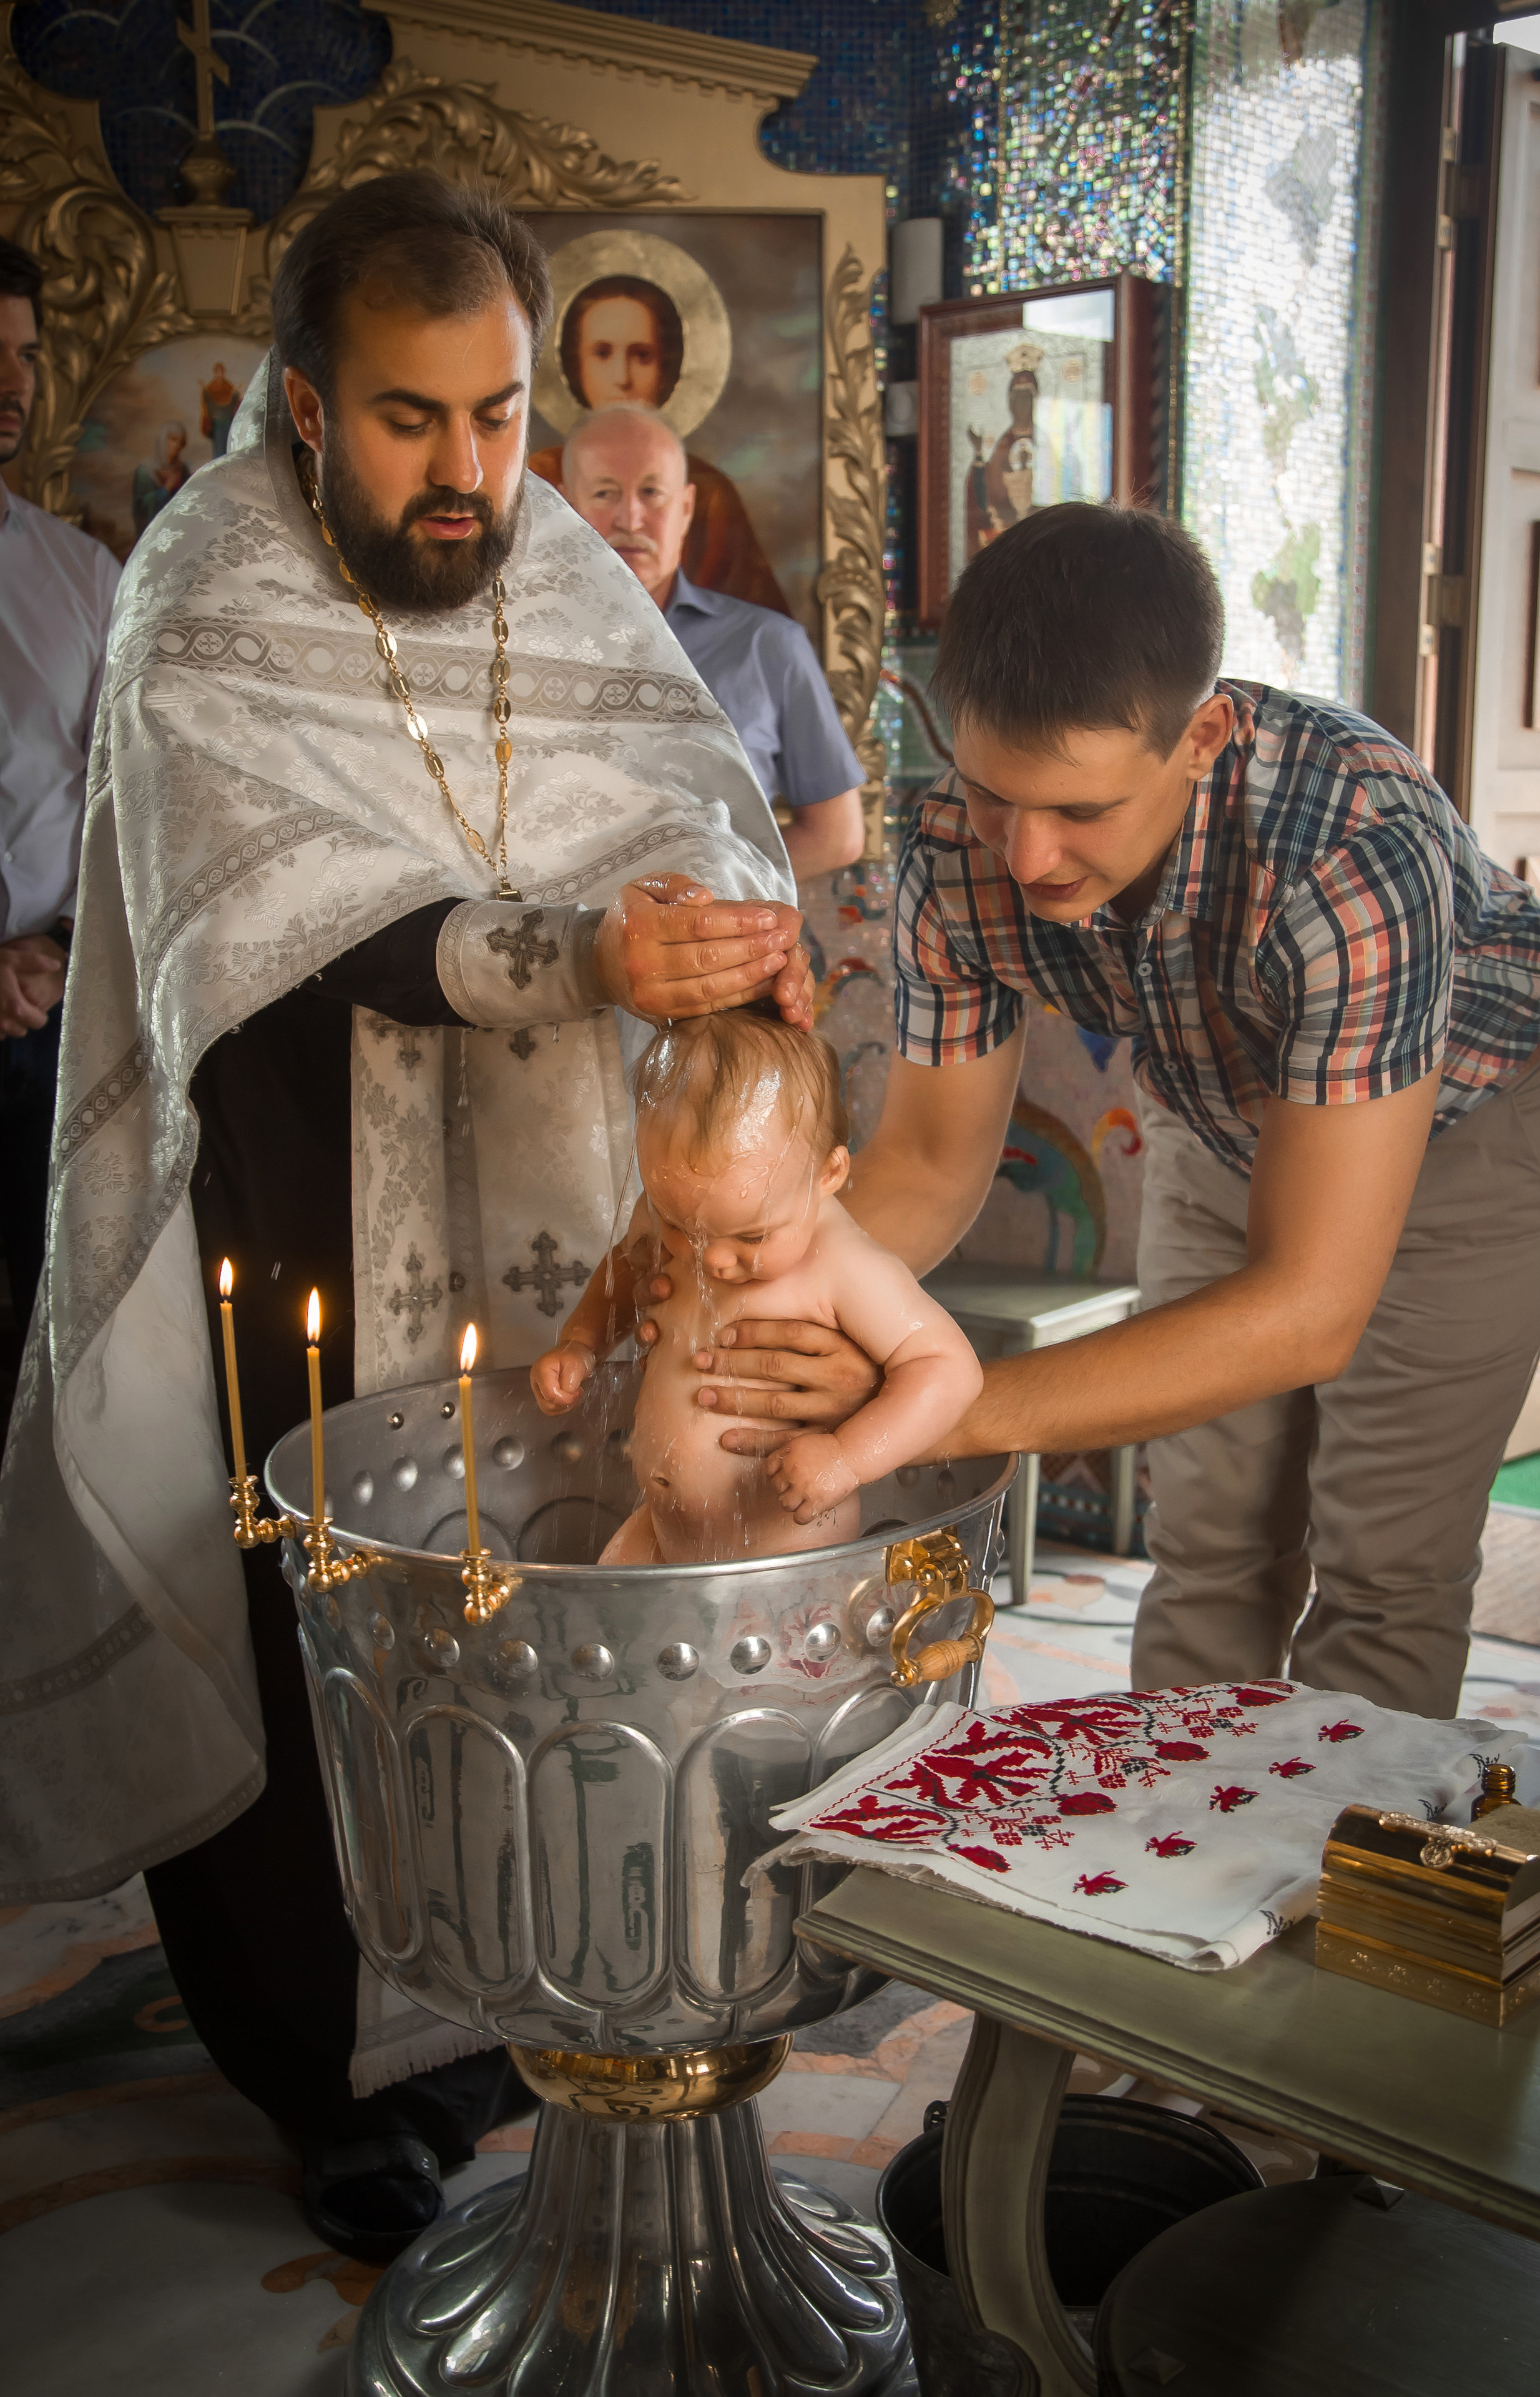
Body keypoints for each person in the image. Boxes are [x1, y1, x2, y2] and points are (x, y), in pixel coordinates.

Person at [0, 172, 812, 2260]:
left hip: (550, 1193)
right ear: (301, 402)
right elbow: (263, 909)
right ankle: (330, 2074)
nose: (469, 475)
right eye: (409, 420)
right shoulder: (204, 581)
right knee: (310, 1627)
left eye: (499, 415)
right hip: (302, 1201)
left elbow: (693, 780)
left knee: (535, 1588)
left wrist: (716, 932)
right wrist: (570, 956)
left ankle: (523, 1995)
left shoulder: (548, 559)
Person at [679, 503, 1540, 1724]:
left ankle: (1335, 1899)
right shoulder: (963, 838)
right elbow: (928, 1167)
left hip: (1467, 1140)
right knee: (1208, 1537)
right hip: (1221, 1118)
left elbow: (1305, 1314)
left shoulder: (1349, 846)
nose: (1025, 857)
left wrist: (923, 1399)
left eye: (1079, 812)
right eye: (994, 795)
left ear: (1201, 736)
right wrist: (732, 1305)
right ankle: (1174, 1875)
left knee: (1379, 1568)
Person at [534, 1007, 981, 1562]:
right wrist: (583, 1341)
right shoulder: (680, 1208)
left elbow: (949, 1369)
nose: (713, 1258)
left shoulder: (845, 1264)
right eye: (679, 1225)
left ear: (828, 1176)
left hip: (784, 1551)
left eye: (752, 1236)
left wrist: (846, 1457)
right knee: (610, 1627)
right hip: (660, 1532)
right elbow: (627, 1266)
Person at [563, 405, 866, 881]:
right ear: (565, 508)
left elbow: (837, 836)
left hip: (723, 938)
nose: (631, 517)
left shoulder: (768, 645)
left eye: (651, 492)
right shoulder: (519, 646)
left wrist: (720, 893)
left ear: (685, 508)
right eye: (604, 493)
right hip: (564, 940)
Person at [0, 237, 120, 1343]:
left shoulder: (82, 581)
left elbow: (127, 797)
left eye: (26, 356)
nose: (12, 388)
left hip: (40, 1023)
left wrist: (54, 948)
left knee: (49, 1333)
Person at [527, 272, 789, 614]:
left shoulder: (716, 495)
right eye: (603, 354)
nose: (622, 377)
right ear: (574, 364)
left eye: (642, 355)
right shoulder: (533, 481)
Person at [131, 417, 189, 534]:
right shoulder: (146, 471)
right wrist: (166, 490)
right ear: (163, 440)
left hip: (179, 529)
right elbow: (142, 507)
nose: (177, 445)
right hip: (153, 533)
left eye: (181, 442)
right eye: (173, 439)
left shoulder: (183, 470)